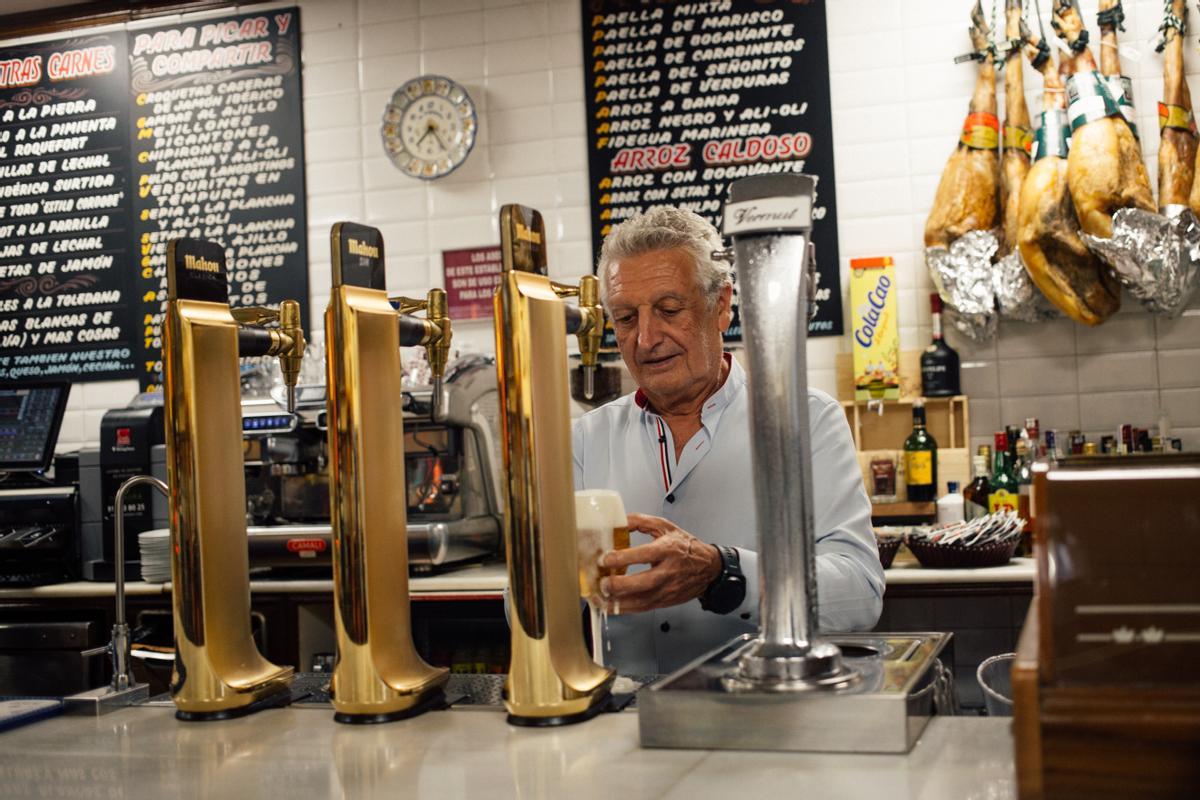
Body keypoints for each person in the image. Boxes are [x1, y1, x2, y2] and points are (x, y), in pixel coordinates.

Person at [573, 206, 884, 675]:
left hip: (759, 713)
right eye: (625, 318)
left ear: (722, 305)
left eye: (668, 309)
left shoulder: (807, 420)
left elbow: (860, 592)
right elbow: (522, 612)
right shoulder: (584, 439)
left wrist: (725, 574)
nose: (645, 338)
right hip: (620, 722)